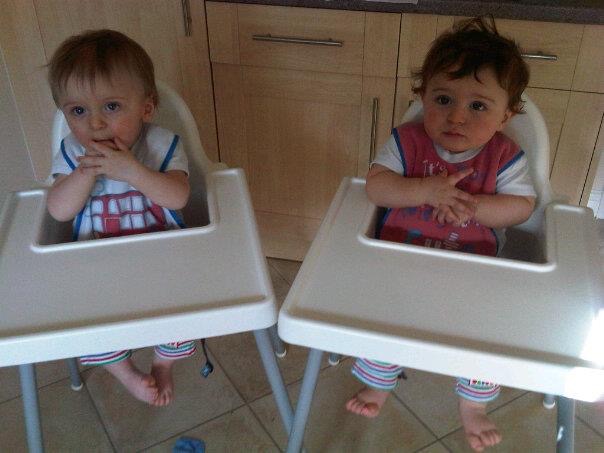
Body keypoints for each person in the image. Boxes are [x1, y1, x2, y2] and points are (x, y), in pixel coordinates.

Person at [345, 17, 536, 452]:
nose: (456, 116)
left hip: (472, 274)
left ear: (506, 116)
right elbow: (376, 187)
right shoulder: (406, 142)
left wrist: (475, 207)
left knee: (486, 336)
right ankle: (379, 382)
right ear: (423, 97)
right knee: (381, 321)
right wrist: (425, 190)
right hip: (400, 265)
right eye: (443, 99)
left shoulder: (506, 156)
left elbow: (522, 206)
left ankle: (474, 403)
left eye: (478, 106)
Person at [46, 29, 194, 406]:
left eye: (111, 107)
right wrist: (83, 174)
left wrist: (134, 172)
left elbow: (178, 196)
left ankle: (163, 362)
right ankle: (125, 373)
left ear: (146, 108)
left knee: (187, 312)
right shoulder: (72, 153)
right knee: (86, 325)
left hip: (162, 259)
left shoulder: (162, 144)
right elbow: (58, 209)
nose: (95, 124)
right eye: (79, 111)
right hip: (97, 266)